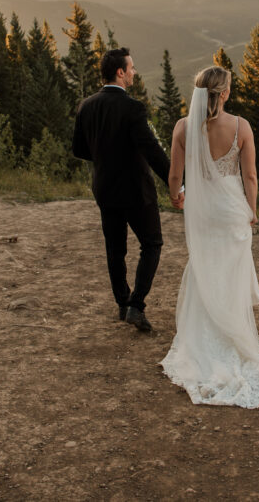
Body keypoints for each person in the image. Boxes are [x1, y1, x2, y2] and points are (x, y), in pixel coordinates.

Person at [160, 66, 259, 407]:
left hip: (204, 214)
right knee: (230, 276)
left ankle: (204, 343)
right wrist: (251, 211)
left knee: (205, 269)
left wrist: (176, 195)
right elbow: (249, 175)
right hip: (232, 213)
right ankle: (233, 337)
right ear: (224, 93)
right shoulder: (241, 127)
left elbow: (175, 174)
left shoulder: (183, 128)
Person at [72, 48, 180, 332]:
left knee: (115, 248)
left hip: (105, 188)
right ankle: (136, 305)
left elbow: (80, 150)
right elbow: (153, 151)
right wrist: (176, 183)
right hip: (135, 190)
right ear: (120, 72)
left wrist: (106, 157)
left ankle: (123, 303)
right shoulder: (132, 108)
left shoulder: (86, 105)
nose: (134, 72)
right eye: (131, 68)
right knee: (152, 244)